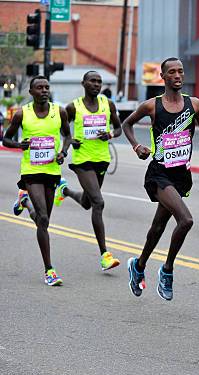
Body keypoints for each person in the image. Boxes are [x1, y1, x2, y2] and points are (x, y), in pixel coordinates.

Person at [122, 57, 199, 301]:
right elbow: (126, 124)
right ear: (162, 77)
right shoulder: (152, 106)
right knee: (186, 220)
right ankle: (167, 270)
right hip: (159, 173)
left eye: (180, 71)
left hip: (181, 174)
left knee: (158, 226)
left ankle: (138, 265)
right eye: (171, 72)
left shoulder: (194, 105)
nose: (177, 76)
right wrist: (136, 146)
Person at [2, 76, 72, 285]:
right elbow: (6, 138)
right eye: (39, 87)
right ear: (31, 92)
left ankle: (24, 203)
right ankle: (49, 270)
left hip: (52, 169)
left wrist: (63, 152)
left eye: (47, 87)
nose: (44, 90)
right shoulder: (22, 113)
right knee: (43, 219)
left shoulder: (59, 111)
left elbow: (67, 136)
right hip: (31, 171)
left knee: (44, 220)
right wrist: (19, 145)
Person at [53, 70, 122, 271]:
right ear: (83, 83)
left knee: (87, 203)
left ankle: (64, 191)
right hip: (82, 161)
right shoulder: (73, 107)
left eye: (99, 82)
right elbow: (61, 127)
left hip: (102, 159)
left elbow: (118, 128)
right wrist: (69, 141)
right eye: (92, 81)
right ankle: (105, 255)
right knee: (98, 203)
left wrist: (108, 134)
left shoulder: (107, 104)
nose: (96, 84)